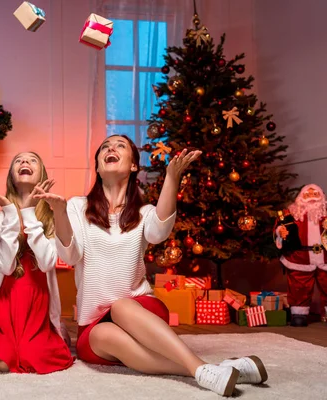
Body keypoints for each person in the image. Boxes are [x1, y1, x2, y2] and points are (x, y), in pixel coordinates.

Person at [34, 135, 267, 396]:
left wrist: (172, 177)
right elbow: (71, 254)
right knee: (102, 335)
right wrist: (59, 214)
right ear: (98, 168)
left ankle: (202, 370)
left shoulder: (144, 213)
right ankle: (210, 369)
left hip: (141, 308)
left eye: (120, 145)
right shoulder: (77, 206)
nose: (111, 148)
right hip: (94, 323)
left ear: (134, 165)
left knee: (121, 306)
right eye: (105, 148)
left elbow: (160, 233)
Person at [0, 152, 73, 374]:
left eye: (32, 160)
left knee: (34, 358)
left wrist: (29, 212)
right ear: (11, 175)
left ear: (41, 174)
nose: (24, 162)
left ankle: (55, 334)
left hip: (37, 304)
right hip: (4, 303)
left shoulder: (53, 216)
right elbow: (7, 266)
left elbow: (47, 263)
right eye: (18, 160)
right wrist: (10, 212)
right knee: (0, 360)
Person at [275, 183, 327, 326]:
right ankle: (299, 314)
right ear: (300, 197)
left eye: (315, 194)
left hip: (325, 256)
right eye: (307, 194)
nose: (311, 197)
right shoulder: (292, 213)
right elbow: (280, 225)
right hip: (300, 256)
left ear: (322, 197)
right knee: (299, 285)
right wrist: (281, 231)